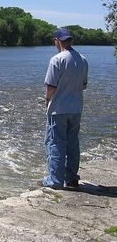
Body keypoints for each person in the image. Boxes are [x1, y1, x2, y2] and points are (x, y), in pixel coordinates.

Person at [42, 27, 88, 189]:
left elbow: (51, 87)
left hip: (58, 109)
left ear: (57, 41)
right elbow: (83, 86)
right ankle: (72, 178)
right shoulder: (83, 59)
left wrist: (46, 100)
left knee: (55, 143)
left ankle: (55, 180)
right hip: (76, 109)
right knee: (72, 143)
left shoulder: (56, 59)